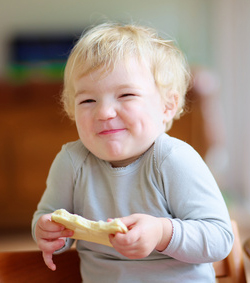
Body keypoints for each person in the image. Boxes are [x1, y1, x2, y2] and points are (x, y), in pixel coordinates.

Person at [32, 22, 234, 283]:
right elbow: (50, 224)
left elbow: (220, 238)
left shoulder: (173, 160)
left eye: (126, 95)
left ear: (167, 106)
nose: (104, 112)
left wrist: (162, 233)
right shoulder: (71, 163)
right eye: (88, 100)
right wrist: (47, 233)